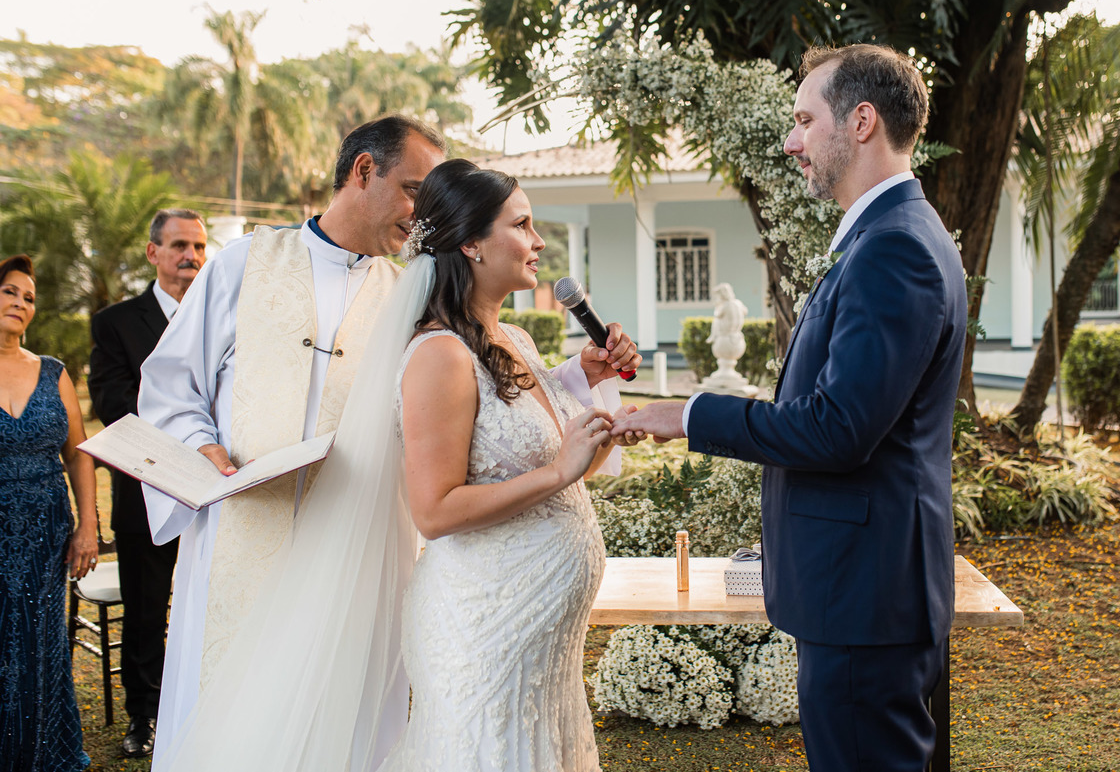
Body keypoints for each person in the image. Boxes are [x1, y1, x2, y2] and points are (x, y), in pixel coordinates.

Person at [139, 116, 640, 768]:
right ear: (363, 171)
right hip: (246, 522)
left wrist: (579, 377)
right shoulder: (244, 265)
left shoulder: (408, 291)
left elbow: (487, 400)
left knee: (347, 717)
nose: (420, 210)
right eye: (412, 189)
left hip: (365, 539)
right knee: (237, 706)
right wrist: (207, 455)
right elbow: (170, 388)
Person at [613, 44, 968, 772]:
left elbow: (838, 430)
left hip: (864, 600)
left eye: (805, 119)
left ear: (861, 121)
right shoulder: (892, 235)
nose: (791, 140)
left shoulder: (892, 249)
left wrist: (691, 414)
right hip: (870, 592)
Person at [87, 208, 207, 757]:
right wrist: (183, 418)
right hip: (145, 488)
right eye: (180, 245)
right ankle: (145, 717)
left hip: (214, 487)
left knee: (209, 600)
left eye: (199, 246)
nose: (192, 256)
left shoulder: (220, 314)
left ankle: (204, 706)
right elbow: (112, 402)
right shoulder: (116, 322)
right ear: (152, 252)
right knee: (146, 609)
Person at [0, 253, 98, 771]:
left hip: (46, 528)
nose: (20, 303)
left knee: (41, 640)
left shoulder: (52, 372)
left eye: (29, 297)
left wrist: (88, 524)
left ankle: (42, 753)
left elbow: (79, 452)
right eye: (10, 291)